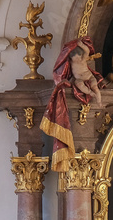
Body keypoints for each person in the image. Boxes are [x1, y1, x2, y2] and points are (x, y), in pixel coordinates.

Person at [40, 37, 105, 171]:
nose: (75, 60)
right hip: (80, 79)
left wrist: (81, 44)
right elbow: (63, 66)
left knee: (95, 87)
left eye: (76, 58)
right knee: (79, 84)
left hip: (88, 76)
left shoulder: (83, 58)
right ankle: (92, 94)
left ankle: (98, 99)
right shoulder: (70, 61)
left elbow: (86, 51)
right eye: (72, 59)